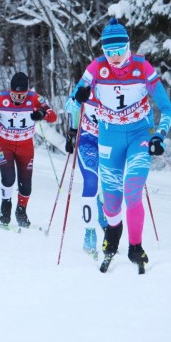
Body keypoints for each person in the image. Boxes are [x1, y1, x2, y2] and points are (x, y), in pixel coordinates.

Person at [67, 19, 171, 273]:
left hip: (140, 135)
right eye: (109, 52)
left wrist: (159, 136)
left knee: (132, 190)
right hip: (109, 137)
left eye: (119, 50)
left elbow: (167, 108)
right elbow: (71, 102)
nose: (114, 57)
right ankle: (113, 234)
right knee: (112, 202)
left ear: (128, 46)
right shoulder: (97, 67)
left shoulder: (142, 67)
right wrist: (78, 97)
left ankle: (135, 247)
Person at [0, 72, 57, 228]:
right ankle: (5, 205)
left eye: (21, 95)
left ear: (27, 92)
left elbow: (53, 116)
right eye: (14, 95)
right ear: (10, 91)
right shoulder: (0, 99)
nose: (17, 98)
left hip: (25, 146)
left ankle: (21, 211)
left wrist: (41, 114)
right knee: (8, 178)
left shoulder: (35, 99)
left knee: (26, 185)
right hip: (4, 144)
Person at [63, 90, 108, 258]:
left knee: (108, 184)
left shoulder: (119, 86)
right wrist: (72, 131)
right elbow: (70, 106)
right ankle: (89, 234)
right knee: (91, 182)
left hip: (110, 142)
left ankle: (105, 222)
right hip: (87, 140)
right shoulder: (88, 84)